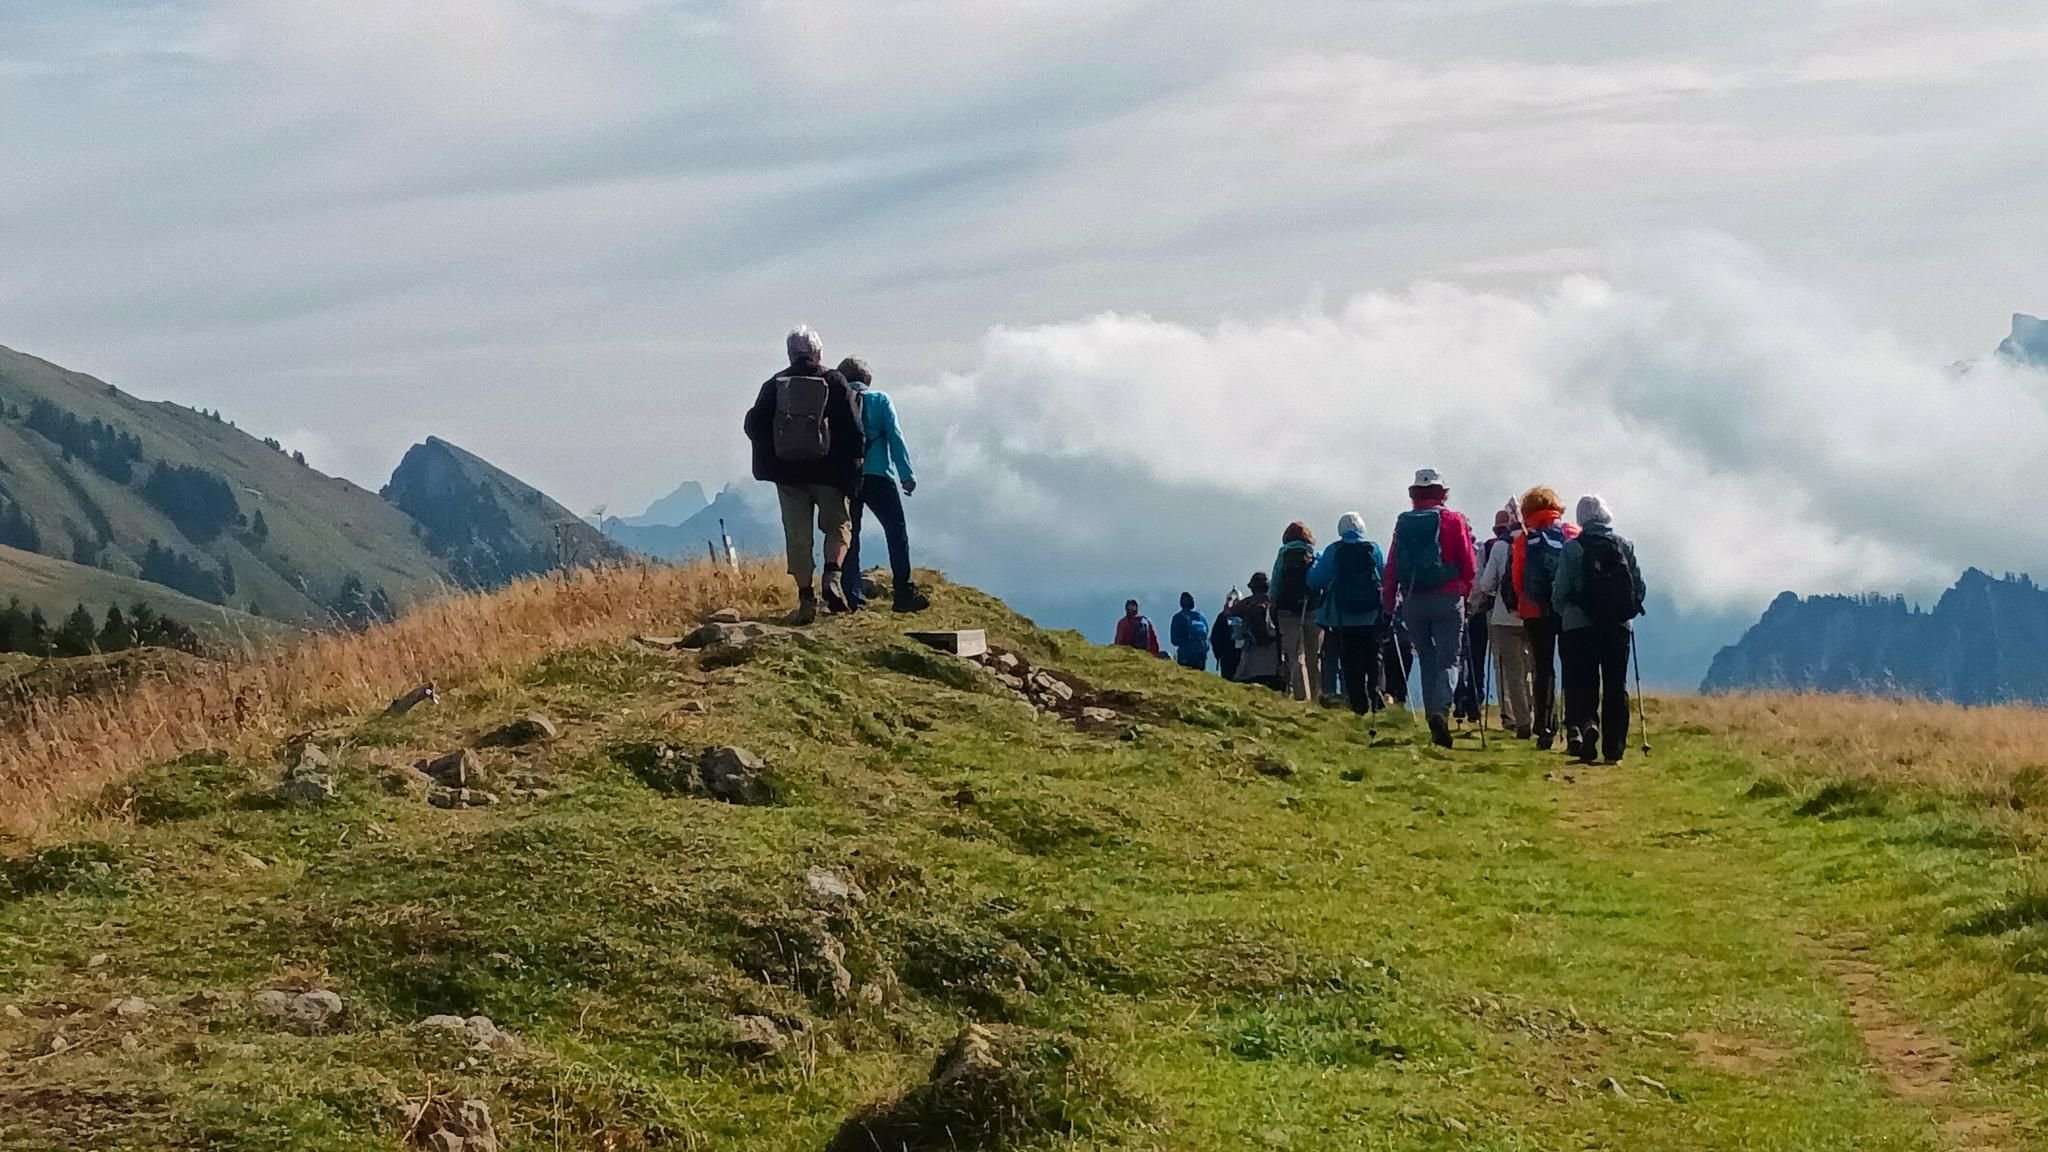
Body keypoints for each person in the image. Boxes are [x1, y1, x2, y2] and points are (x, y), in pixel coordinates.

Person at [743, 326, 864, 624]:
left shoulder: (774, 384)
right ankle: (832, 578)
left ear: (789, 354)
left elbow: (754, 426)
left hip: (788, 476)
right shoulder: (834, 380)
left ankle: (806, 598)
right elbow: (853, 429)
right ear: (818, 353)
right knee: (837, 527)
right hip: (829, 474)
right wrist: (852, 469)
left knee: (798, 536)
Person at [1382, 468, 1478, 748]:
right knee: (1450, 659)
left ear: (1415, 493)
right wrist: (1466, 591)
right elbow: (1468, 563)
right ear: (1442, 493)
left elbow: (1392, 567)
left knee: (1426, 658)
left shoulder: (1404, 523)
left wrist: (1389, 603)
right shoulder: (1453, 520)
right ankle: (1441, 711)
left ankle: (1431, 719)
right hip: (1448, 597)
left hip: (1414, 598)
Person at [1554, 495, 1647, 764]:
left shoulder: (1572, 549)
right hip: (1617, 626)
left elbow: (1560, 592)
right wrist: (1626, 610)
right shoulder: (1624, 545)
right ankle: (1614, 748)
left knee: (1584, 682)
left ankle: (1587, 725)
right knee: (1616, 685)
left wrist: (1567, 613)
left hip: (1579, 625)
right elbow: (1638, 587)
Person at [836, 358, 930, 614]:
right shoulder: (881, 400)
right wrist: (906, 475)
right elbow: (895, 438)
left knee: (849, 535)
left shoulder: (837, 399)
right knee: (895, 531)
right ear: (868, 379)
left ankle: (850, 595)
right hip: (880, 476)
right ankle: (903, 592)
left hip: (847, 477)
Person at [1511, 487, 1578, 750]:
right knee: (1573, 668)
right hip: (1570, 612)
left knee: (1543, 668)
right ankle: (1574, 727)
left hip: (1535, 612)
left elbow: (1518, 580)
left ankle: (1545, 728)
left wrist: (1528, 602)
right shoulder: (1571, 534)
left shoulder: (1525, 540)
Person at [1306, 512, 1385, 715]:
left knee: (1349, 660)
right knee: (1372, 655)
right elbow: (1384, 576)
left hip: (1342, 616)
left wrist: (1315, 563)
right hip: (1371, 613)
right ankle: (1375, 693)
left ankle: (1358, 704)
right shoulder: (1373, 549)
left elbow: (1315, 580)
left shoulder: (1334, 550)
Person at [1471, 504, 1533, 738]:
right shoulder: (1536, 542)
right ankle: (1537, 713)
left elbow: (1485, 585)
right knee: (1533, 668)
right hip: (1535, 614)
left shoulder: (1498, 547)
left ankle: (1515, 718)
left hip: (1503, 615)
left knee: (1507, 668)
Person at [1269, 522, 1322, 701]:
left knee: (1296, 656)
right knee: (1314, 656)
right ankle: (1317, 697)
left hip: (1288, 612)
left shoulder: (1284, 553)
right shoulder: (1313, 553)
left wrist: (1273, 603)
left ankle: (1301, 697)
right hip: (1312, 610)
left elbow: (1276, 581)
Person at [1227, 573, 1284, 690]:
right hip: (1273, 652)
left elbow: (1228, 612)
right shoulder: (1274, 602)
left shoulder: (1247, 603)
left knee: (1248, 680)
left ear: (1252, 588)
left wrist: (1230, 600)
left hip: (1253, 649)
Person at [1169, 592, 1210, 671]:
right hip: (1201, 654)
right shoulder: (1201, 616)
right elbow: (1207, 632)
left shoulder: (1178, 617)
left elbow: (1174, 640)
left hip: (1185, 654)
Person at [1212, 590, 1243, 681]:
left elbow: (1215, 637)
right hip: (1229, 655)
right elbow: (1216, 636)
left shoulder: (1244, 615)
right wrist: (1219, 654)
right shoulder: (1223, 617)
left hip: (1235, 655)